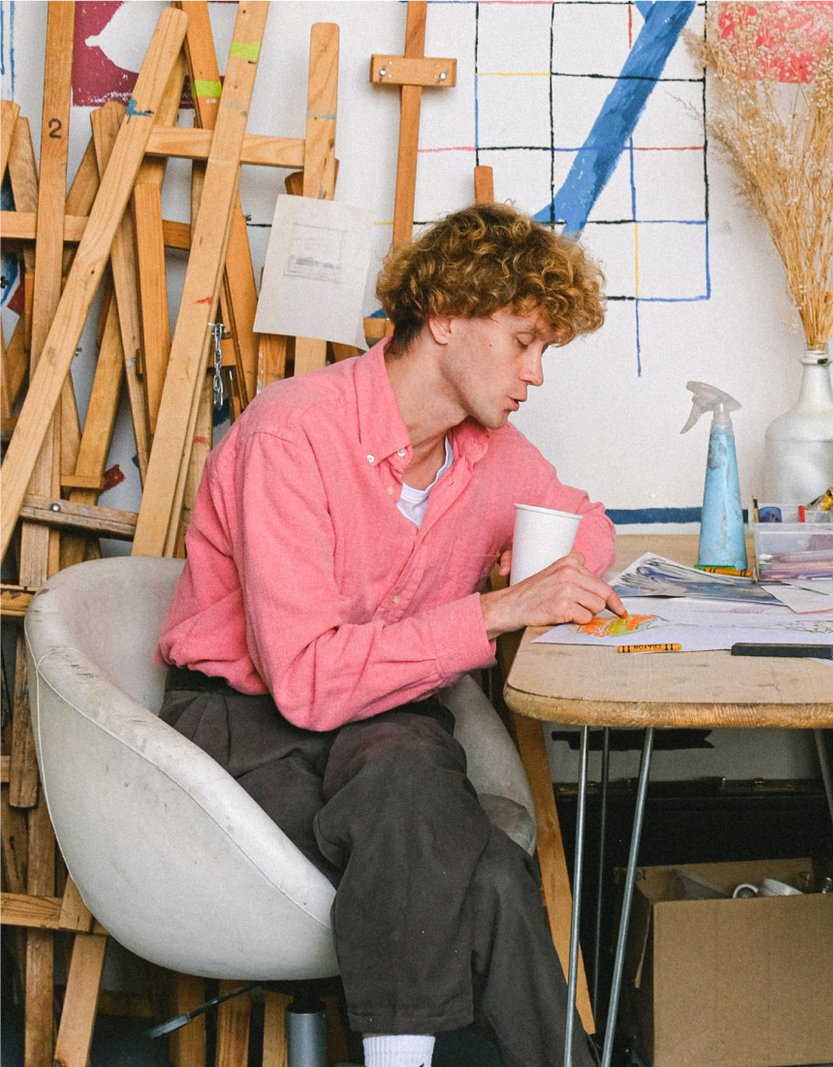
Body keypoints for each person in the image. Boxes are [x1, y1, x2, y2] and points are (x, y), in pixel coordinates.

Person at [156, 202, 624, 1067]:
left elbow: (589, 522)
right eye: (523, 341)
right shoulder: (293, 432)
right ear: (445, 314)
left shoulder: (491, 453)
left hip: (382, 736)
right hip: (242, 729)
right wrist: (496, 611)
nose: (536, 374)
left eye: (546, 350)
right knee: (436, 808)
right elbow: (307, 683)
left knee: (459, 833)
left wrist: (538, 564)